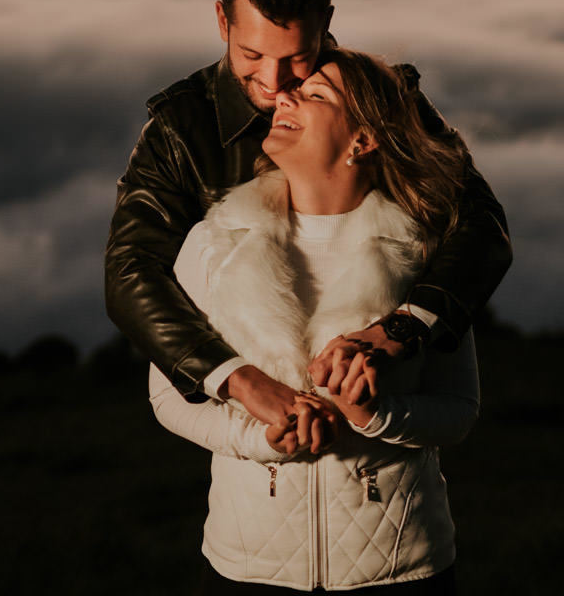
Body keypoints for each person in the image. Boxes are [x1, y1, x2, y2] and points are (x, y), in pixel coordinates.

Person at [105, 0, 510, 429]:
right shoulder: (181, 128)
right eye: (252, 55)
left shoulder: (377, 100)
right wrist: (240, 379)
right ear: (222, 22)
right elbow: (130, 271)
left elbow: (480, 225)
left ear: (327, 20)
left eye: (297, 57)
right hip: (249, 443)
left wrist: (401, 329)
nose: (275, 84)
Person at [151, 47, 478, 593]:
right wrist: (262, 439)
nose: (284, 95)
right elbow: (168, 396)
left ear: (363, 140)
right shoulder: (214, 242)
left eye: (314, 94)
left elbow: (459, 409)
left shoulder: (423, 253)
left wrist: (374, 415)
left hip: (400, 568)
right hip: (247, 567)